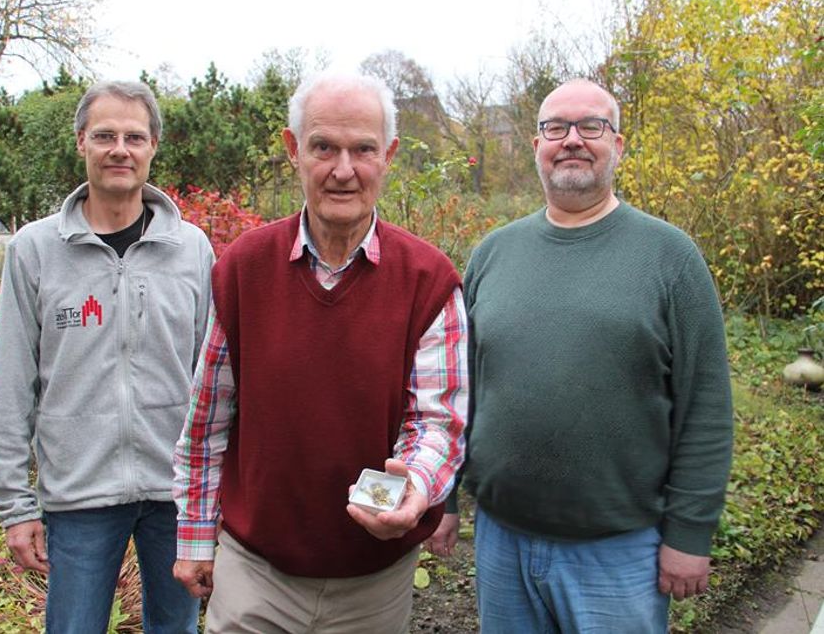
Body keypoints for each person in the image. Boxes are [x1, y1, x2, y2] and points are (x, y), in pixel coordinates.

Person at [430, 78, 734, 633]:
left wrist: (690, 534)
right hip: (501, 541)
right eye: (555, 128)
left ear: (617, 145)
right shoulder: (493, 254)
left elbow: (706, 407)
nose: (572, 139)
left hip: (620, 552)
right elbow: (458, 390)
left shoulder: (670, 257)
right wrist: (443, 498)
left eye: (591, 126)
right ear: (537, 146)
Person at [172, 71, 468, 633]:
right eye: (324, 147)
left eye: (363, 150)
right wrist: (194, 537)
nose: (343, 170)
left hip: (374, 578)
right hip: (255, 570)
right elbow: (208, 419)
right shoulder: (243, 270)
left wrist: (415, 486)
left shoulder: (428, 280)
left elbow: (437, 421)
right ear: (293, 150)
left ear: (389, 155)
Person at [0, 80, 212, 634]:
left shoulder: (192, 250)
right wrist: (15, 506)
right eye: (105, 135)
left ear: (153, 146)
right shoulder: (36, 250)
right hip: (78, 495)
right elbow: (11, 382)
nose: (120, 150)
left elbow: (213, 382)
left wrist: (213, 495)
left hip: (175, 495)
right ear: (81, 141)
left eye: (134, 137)